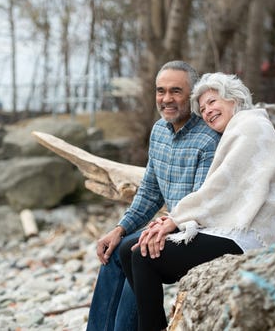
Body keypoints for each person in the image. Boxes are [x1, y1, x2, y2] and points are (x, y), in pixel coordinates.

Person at [119, 72, 275, 331]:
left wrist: (175, 220)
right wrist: (174, 220)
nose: (207, 111)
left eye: (212, 102)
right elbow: (224, 193)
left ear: (233, 99)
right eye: (203, 108)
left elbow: (220, 189)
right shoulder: (240, 128)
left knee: (142, 255)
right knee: (131, 250)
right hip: (236, 228)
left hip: (251, 235)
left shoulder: (250, 127)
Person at [86, 61, 222, 331]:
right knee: (114, 249)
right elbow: (149, 191)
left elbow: (200, 206)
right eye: (161, 91)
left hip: (192, 230)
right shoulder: (159, 131)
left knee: (134, 252)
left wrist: (158, 229)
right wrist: (119, 228)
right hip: (166, 226)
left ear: (192, 95)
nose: (166, 99)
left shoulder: (208, 139)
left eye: (176, 91)